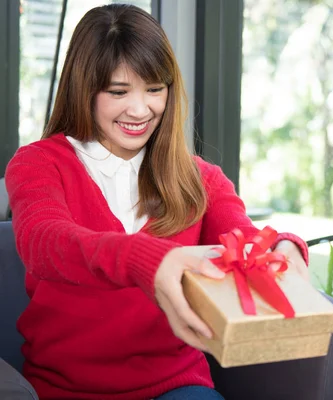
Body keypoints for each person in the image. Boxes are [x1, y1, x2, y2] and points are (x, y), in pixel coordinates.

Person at [4, 4, 309, 400]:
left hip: (177, 384)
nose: (140, 109)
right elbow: (44, 241)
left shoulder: (202, 179)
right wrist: (146, 259)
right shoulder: (39, 163)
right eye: (118, 92)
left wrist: (282, 245)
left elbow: (244, 241)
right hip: (67, 388)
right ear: (84, 89)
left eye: (154, 89)